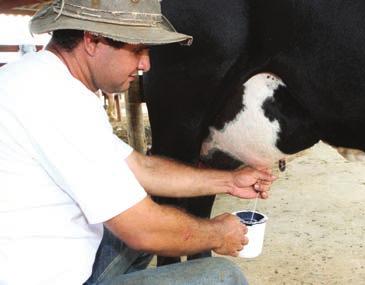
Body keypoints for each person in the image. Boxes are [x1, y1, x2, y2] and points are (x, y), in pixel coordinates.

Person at [0, 1, 276, 284]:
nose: (146, 64)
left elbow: (142, 168)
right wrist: (218, 234)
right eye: (137, 50)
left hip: (49, 256)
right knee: (224, 276)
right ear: (92, 40)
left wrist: (230, 181)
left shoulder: (42, 78)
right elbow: (142, 230)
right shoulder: (55, 101)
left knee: (145, 223)